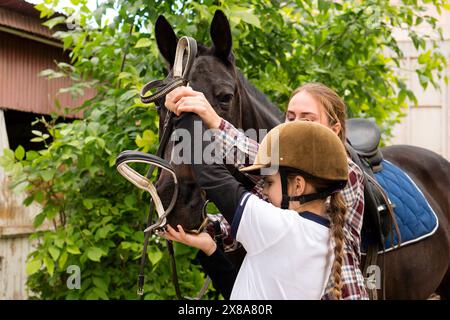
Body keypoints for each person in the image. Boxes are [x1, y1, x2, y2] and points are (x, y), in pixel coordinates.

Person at [164, 82, 369, 300]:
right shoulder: (292, 210)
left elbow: (224, 178)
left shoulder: (344, 174)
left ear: (334, 130)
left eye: (307, 119)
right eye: (290, 118)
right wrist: (206, 234)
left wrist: (202, 119)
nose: (295, 126)